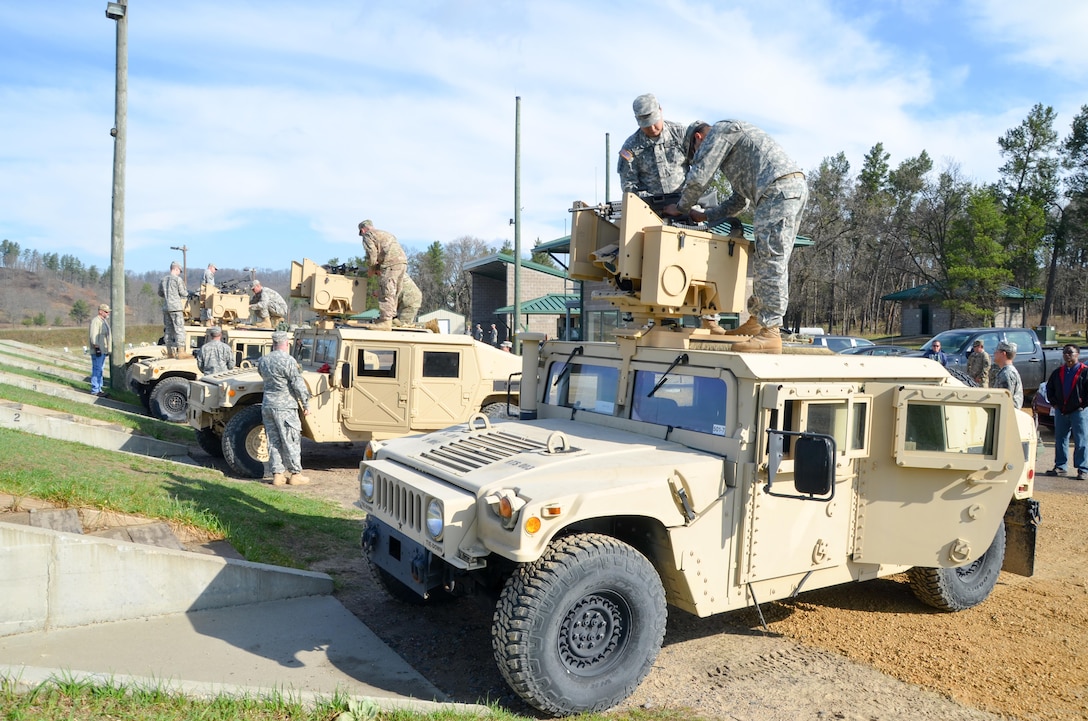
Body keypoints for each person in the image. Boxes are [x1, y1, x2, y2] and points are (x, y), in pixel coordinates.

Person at [662, 120, 808, 353]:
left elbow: (699, 177)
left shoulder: (720, 132)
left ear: (698, 139)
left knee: (770, 260)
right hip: (785, 189)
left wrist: (680, 207)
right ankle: (757, 322)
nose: (697, 156)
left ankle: (770, 333)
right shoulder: (733, 149)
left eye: (694, 153)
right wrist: (704, 216)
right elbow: (740, 201)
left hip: (776, 191)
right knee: (768, 259)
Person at [256, 331, 311, 486]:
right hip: (285, 407)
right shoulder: (289, 361)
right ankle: (295, 474)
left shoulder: (264, 360)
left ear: (274, 343)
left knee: (273, 440)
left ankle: (277, 475)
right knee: (290, 439)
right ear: (287, 343)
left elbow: (262, 375)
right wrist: (306, 404)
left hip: (268, 405)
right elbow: (298, 384)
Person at [617, 93, 692, 198]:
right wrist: (651, 200)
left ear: (660, 110)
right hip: (650, 209)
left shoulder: (680, 134)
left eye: (654, 122)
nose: (652, 128)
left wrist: (689, 196)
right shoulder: (630, 148)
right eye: (646, 125)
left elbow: (699, 167)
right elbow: (629, 186)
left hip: (686, 202)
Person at [1044, 344, 1088, 480]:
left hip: (1079, 411)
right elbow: (1049, 388)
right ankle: (1060, 466)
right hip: (1061, 411)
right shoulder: (1058, 372)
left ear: (1077, 355)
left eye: (1070, 352)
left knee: (1081, 440)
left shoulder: (1084, 372)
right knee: (1060, 438)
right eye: (1065, 352)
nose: (1067, 355)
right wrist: (1055, 404)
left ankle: (1083, 469)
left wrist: (1082, 405)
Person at [359, 219, 408, 331]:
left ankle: (386, 321)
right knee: (394, 291)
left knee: (385, 291)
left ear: (362, 230)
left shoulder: (368, 235)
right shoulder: (386, 233)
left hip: (390, 263)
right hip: (402, 262)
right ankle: (392, 318)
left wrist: (371, 269)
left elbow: (372, 255)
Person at [158, 261, 188, 358]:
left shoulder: (163, 280)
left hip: (166, 307)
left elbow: (160, 293)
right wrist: (189, 293)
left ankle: (169, 352)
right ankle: (181, 352)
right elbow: (183, 293)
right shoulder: (177, 280)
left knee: (168, 330)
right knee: (179, 329)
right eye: (179, 270)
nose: (180, 272)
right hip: (176, 308)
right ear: (176, 269)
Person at [992, 341, 1023, 410]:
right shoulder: (1006, 371)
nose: (994, 353)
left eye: (997, 351)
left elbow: (1005, 399)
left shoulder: (1007, 373)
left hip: (1007, 414)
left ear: (1003, 354)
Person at [88, 303, 111, 397]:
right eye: (106, 311)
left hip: (103, 350)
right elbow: (93, 335)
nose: (107, 313)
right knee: (97, 370)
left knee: (100, 370)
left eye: (108, 312)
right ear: (100, 311)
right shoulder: (96, 321)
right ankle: (95, 389)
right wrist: (96, 347)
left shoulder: (103, 321)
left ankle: (99, 389)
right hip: (98, 350)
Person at [200, 263, 217, 327]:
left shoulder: (204, 272)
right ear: (210, 267)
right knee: (209, 306)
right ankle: (209, 322)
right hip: (207, 293)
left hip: (203, 293)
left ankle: (203, 323)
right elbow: (211, 285)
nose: (215, 271)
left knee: (204, 309)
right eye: (214, 269)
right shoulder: (209, 273)